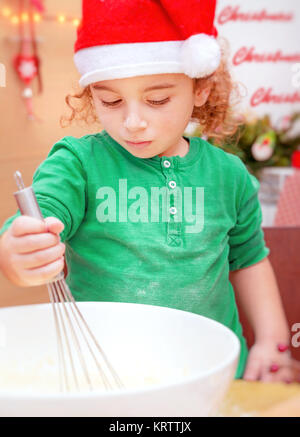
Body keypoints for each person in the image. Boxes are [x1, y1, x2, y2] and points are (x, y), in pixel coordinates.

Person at [0, 0, 298, 383]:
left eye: (158, 100)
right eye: (110, 100)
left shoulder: (229, 176)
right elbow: (39, 215)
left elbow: (249, 261)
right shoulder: (78, 163)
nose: (133, 122)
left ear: (201, 89)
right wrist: (15, 252)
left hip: (212, 375)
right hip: (105, 379)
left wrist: (272, 341)